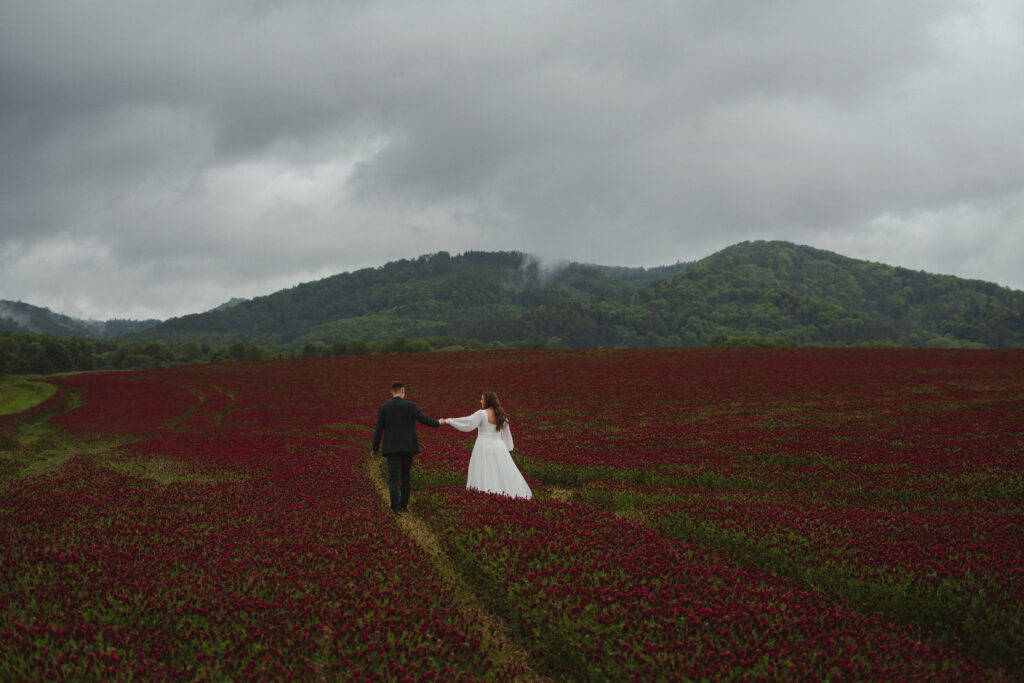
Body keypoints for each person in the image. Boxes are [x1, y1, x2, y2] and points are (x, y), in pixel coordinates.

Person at [443, 392, 532, 500]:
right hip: (499, 447)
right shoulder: (502, 416)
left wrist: (449, 420)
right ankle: (503, 495)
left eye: (482, 399)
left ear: (488, 401)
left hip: (483, 446)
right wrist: (507, 448)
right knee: (499, 471)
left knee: (483, 470)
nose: (480, 401)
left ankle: (483, 495)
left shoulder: (482, 414)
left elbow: (467, 422)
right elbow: (507, 435)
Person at [371, 381, 443, 513]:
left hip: (391, 448)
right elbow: (424, 419)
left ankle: (395, 507)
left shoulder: (384, 408)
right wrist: (438, 423)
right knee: (405, 477)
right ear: (403, 391)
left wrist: (374, 449)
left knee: (393, 478)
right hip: (408, 447)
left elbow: (378, 430)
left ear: (391, 392)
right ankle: (404, 505)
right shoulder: (411, 406)